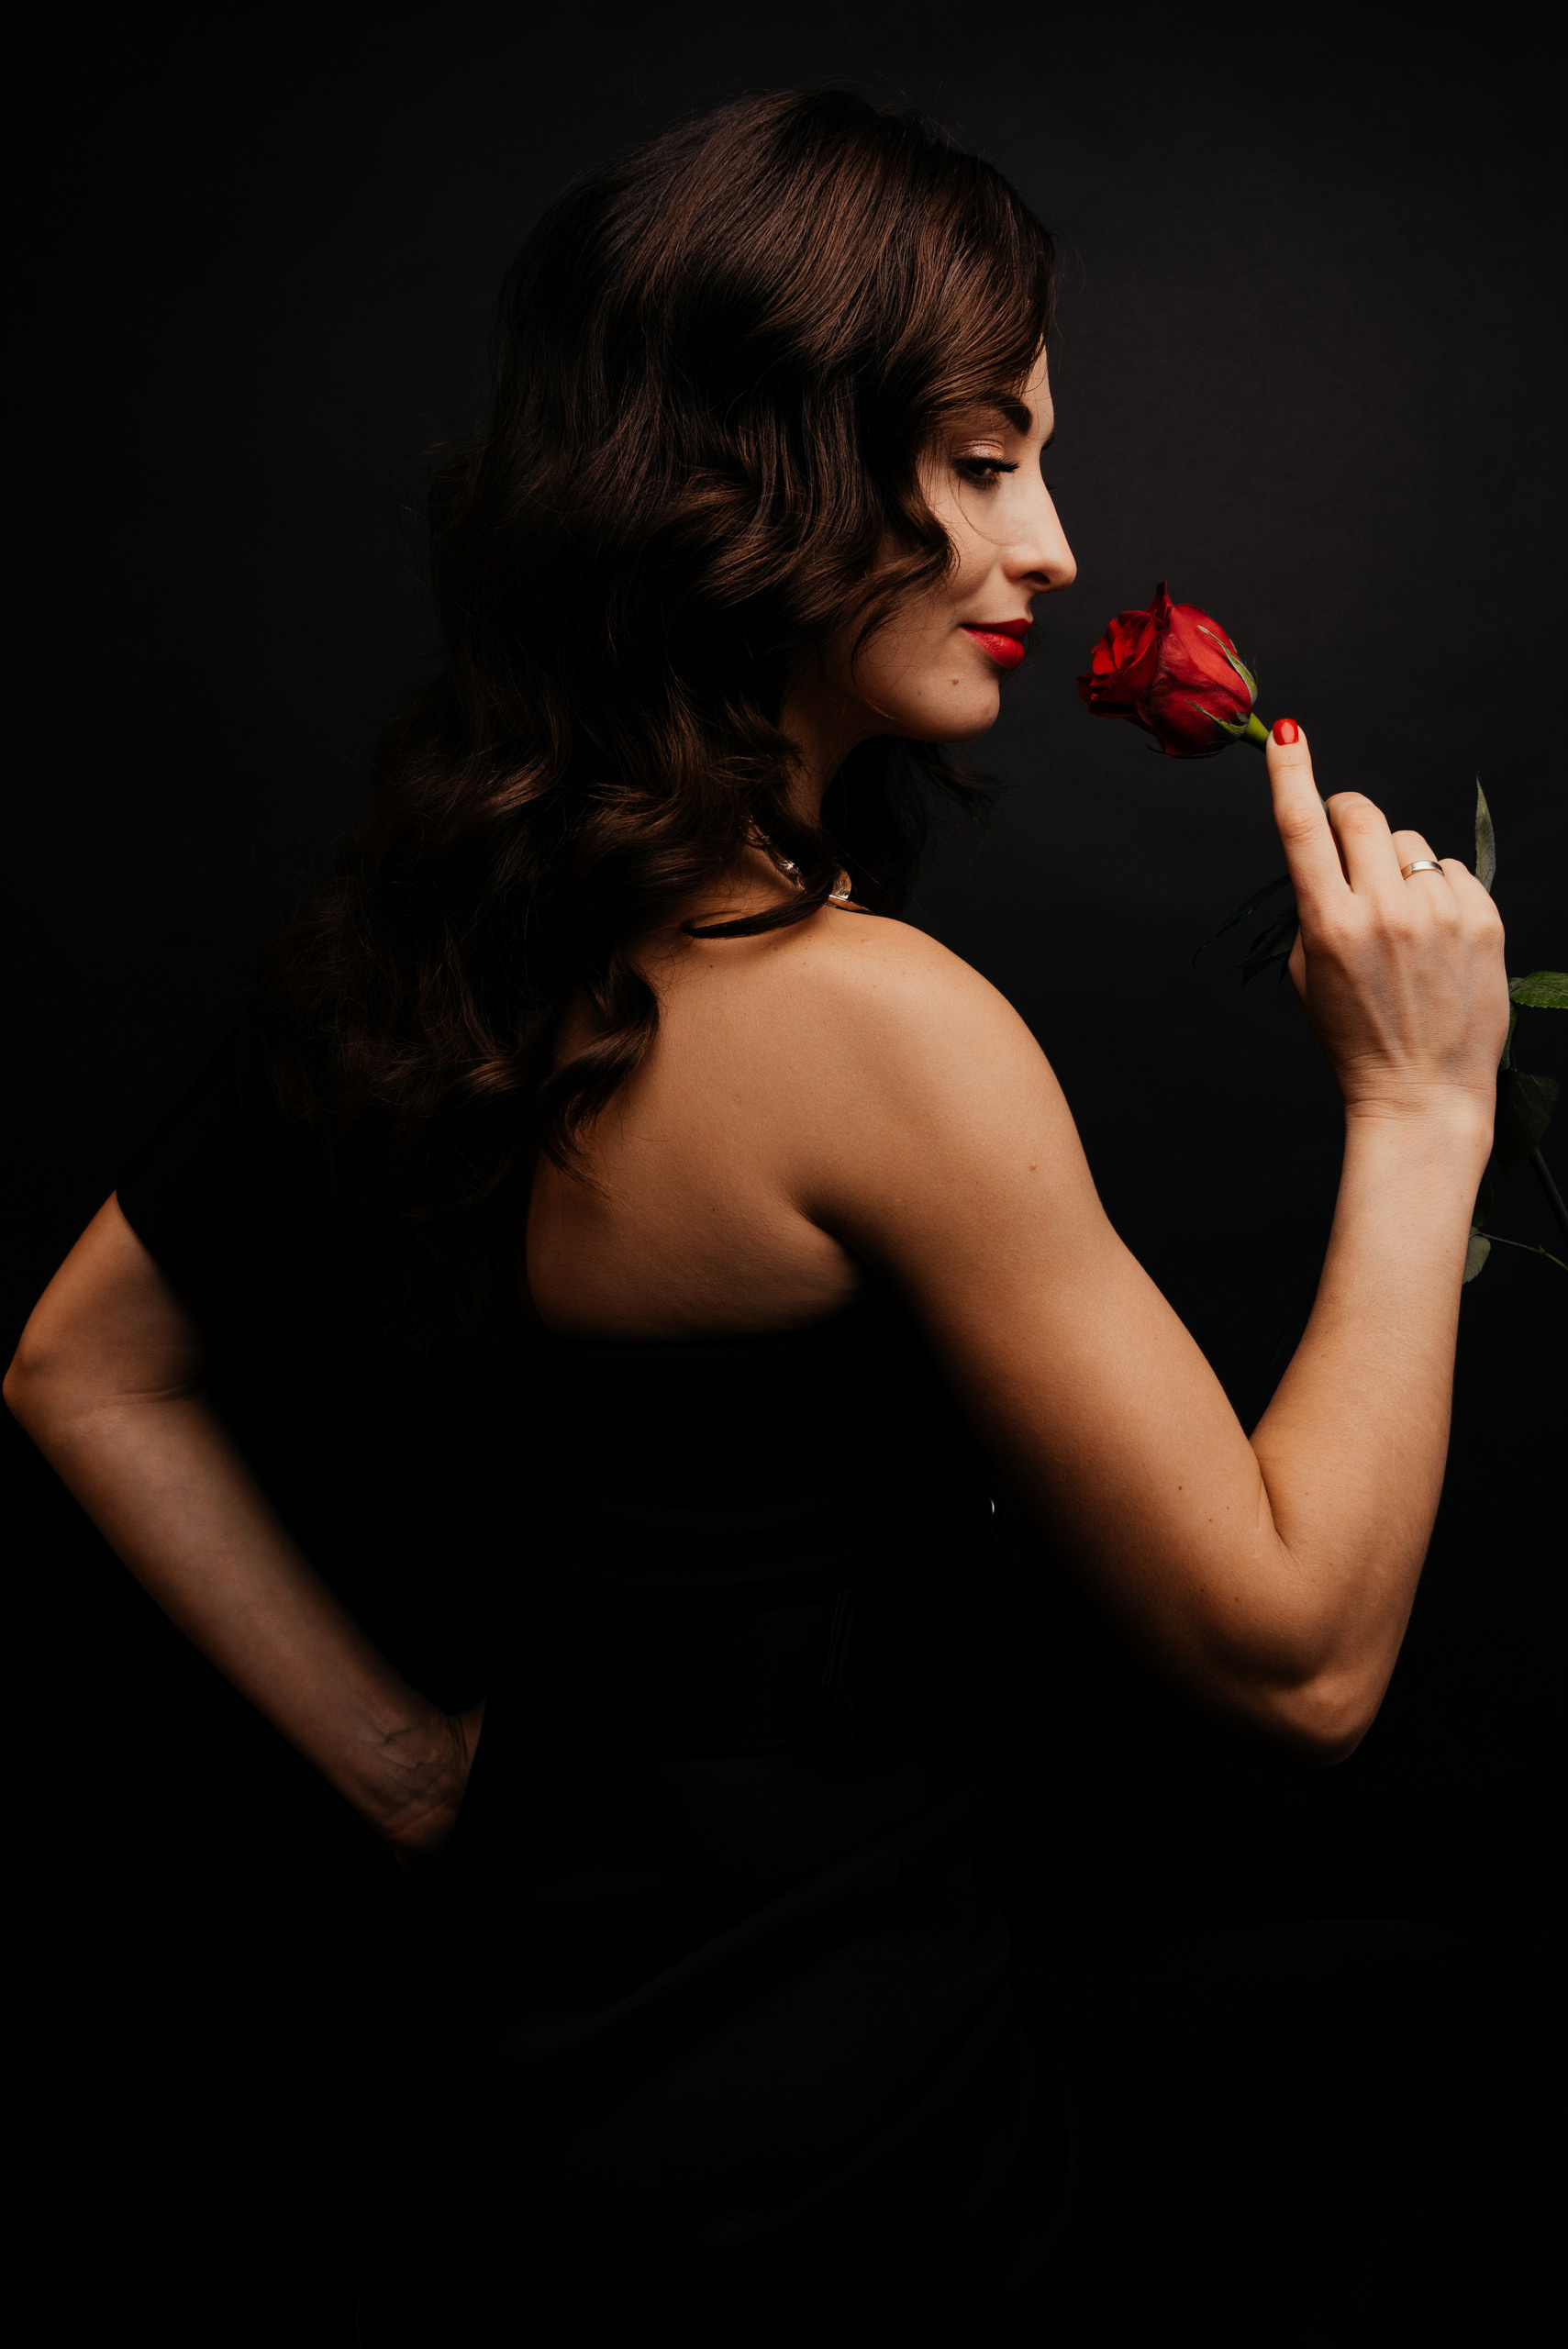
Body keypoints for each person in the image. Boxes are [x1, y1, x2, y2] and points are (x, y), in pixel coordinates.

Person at [6, 89, 1554, 2345]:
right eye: (986, 460)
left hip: (514, 2088)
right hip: (851, 2166)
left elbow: (77, 1356)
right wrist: (1421, 1106)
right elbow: (1299, 1656)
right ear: (764, 478)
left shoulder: (416, 949)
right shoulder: (876, 1030)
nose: (1054, 547)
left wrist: (411, 1768)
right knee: (1462, 2044)